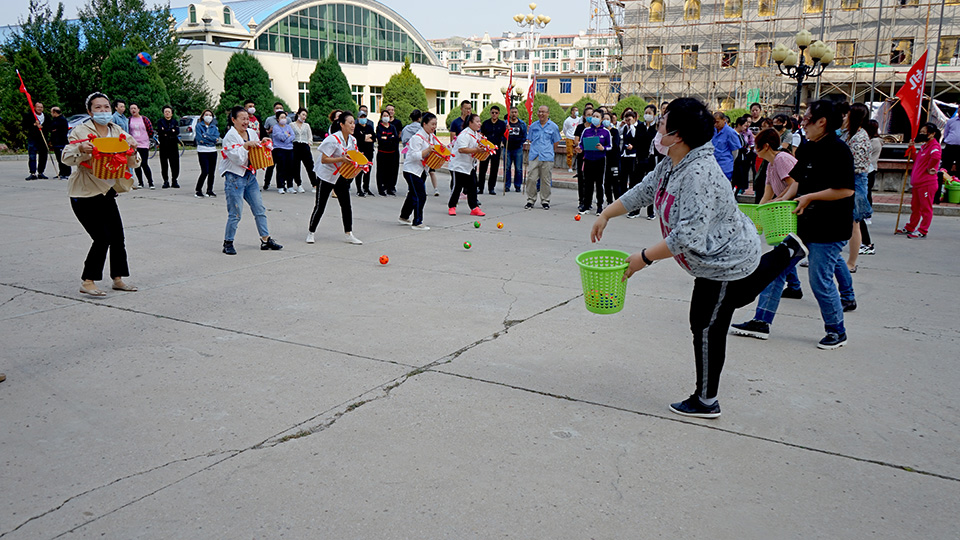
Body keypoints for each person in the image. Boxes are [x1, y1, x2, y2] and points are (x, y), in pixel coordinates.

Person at [590, 97, 809, 418]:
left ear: (677, 135)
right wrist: (607, 213)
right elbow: (646, 189)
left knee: (706, 324)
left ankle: (706, 400)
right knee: (732, 300)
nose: (657, 128)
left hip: (724, 259)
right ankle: (788, 252)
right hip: (713, 256)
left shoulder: (698, 174)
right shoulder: (674, 162)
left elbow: (686, 236)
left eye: (662, 123)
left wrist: (643, 258)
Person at [734, 100, 855, 349]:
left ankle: (836, 330)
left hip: (829, 226)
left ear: (822, 122)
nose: (803, 123)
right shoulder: (809, 147)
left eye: (807, 118)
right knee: (775, 270)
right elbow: (796, 182)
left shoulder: (839, 150)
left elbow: (845, 190)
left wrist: (810, 197)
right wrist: (781, 200)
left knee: (819, 279)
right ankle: (761, 321)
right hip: (801, 223)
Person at [61, 92, 142, 296]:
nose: (103, 111)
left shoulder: (117, 131)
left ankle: (118, 278)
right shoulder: (80, 131)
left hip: (107, 191)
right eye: (98, 107)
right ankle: (88, 281)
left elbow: (133, 161)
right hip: (84, 193)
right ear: (89, 111)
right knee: (102, 237)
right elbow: (66, 157)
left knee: (117, 237)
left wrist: (133, 152)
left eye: (106, 107)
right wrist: (81, 148)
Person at [729, 129, 805, 338]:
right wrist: (757, 218)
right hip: (786, 215)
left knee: (781, 267)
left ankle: (762, 321)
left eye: (756, 145)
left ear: (766, 146)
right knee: (783, 262)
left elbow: (794, 184)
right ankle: (789, 293)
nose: (754, 149)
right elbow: (767, 193)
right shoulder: (771, 164)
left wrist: (780, 200)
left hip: (794, 215)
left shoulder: (781, 159)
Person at [218, 106, 282, 255]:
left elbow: (256, 150)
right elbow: (237, 158)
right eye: (243, 119)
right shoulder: (230, 136)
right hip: (234, 177)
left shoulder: (252, 132)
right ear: (233, 120)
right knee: (235, 213)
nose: (246, 122)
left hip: (250, 176)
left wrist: (263, 142)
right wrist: (246, 146)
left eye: (247, 119)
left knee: (259, 209)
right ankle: (228, 242)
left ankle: (265, 239)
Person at [307, 111, 363, 245]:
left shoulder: (352, 140)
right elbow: (324, 159)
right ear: (342, 124)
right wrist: (341, 159)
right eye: (350, 123)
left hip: (341, 175)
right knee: (320, 206)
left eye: (354, 123)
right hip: (326, 175)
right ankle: (311, 232)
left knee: (346, 205)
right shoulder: (333, 139)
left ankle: (349, 233)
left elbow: (352, 156)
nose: (353, 125)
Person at [842, 103, 872, 272]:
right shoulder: (849, 134)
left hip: (855, 180)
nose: (844, 118)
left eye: (847, 115)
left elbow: (856, 165)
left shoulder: (860, 138)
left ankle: (852, 262)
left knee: (854, 223)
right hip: (848, 179)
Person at [898, 122, 941, 239]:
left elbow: (936, 157)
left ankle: (923, 230)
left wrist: (929, 168)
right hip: (918, 183)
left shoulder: (934, 146)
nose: (921, 134)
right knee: (915, 207)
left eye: (923, 132)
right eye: (921, 132)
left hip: (927, 183)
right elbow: (917, 159)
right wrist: (912, 150)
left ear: (932, 134)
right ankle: (911, 227)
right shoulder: (924, 147)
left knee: (925, 208)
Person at [399, 112, 440, 230]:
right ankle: (417, 222)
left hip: (421, 170)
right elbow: (413, 155)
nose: (434, 127)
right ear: (424, 124)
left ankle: (404, 216)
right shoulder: (417, 138)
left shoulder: (431, 137)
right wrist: (428, 150)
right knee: (420, 195)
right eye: (432, 124)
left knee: (413, 194)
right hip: (411, 170)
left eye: (435, 124)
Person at [523, 105, 562, 210]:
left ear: (548, 113)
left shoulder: (553, 126)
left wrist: (549, 150)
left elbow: (556, 141)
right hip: (534, 156)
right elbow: (530, 139)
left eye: (543, 112)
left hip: (547, 156)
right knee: (531, 179)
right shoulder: (533, 126)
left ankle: (545, 201)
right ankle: (530, 200)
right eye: (539, 112)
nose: (541, 114)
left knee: (545, 180)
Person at [448, 113, 485, 216]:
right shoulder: (464, 135)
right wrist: (476, 150)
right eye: (477, 122)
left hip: (469, 165)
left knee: (473, 186)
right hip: (458, 165)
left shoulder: (476, 134)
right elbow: (462, 149)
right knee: (457, 187)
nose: (479, 124)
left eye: (480, 121)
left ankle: (474, 207)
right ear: (470, 123)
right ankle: (452, 206)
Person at [577, 110, 611, 215]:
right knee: (588, 183)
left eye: (597, 116)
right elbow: (581, 143)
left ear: (601, 119)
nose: (594, 118)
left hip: (600, 160)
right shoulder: (586, 131)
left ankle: (600, 206)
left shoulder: (606, 132)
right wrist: (580, 148)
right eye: (593, 116)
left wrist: (603, 148)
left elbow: (610, 146)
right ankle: (586, 205)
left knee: (599, 184)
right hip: (588, 159)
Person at [478, 105, 506, 195]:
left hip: (496, 149)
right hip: (486, 149)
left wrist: (508, 131)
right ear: (490, 113)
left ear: (499, 114)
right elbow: (481, 135)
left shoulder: (502, 124)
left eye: (496, 113)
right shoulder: (486, 123)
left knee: (494, 169)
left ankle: (491, 188)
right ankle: (480, 188)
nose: (494, 114)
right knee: (483, 168)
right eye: (493, 112)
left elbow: (505, 135)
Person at [291, 107, 318, 192]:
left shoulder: (306, 125)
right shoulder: (292, 125)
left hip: (304, 145)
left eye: (305, 115)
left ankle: (314, 184)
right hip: (295, 145)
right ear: (298, 114)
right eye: (303, 115)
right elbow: (290, 135)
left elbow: (310, 136)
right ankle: (299, 184)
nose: (304, 117)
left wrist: (309, 142)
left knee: (310, 166)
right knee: (296, 166)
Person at [260, 102, 286, 191]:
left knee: (282, 167)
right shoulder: (269, 119)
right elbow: (264, 131)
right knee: (270, 166)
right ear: (274, 109)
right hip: (272, 147)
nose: (279, 109)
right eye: (277, 108)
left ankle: (281, 184)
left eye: (280, 108)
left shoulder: (287, 119)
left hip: (283, 147)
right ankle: (266, 183)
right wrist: (268, 132)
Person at [128, 103, 154, 188]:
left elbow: (150, 130)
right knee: (136, 164)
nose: (133, 110)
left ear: (138, 109)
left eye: (135, 108)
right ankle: (140, 182)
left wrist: (147, 139)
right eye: (131, 108)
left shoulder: (144, 119)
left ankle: (150, 182)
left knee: (144, 163)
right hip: (134, 145)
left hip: (144, 144)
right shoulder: (129, 120)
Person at [194, 109, 219, 198]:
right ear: (203, 116)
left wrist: (206, 136)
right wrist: (210, 139)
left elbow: (216, 138)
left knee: (212, 172)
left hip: (213, 150)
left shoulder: (214, 127)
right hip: (202, 151)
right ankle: (198, 190)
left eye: (210, 115)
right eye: (206, 115)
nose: (208, 116)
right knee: (205, 171)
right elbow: (199, 138)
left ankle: (209, 190)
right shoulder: (199, 126)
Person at [271, 110, 297, 194]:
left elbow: (293, 136)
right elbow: (280, 137)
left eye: (285, 117)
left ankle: (290, 186)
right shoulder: (276, 127)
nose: (284, 119)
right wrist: (287, 136)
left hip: (289, 149)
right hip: (279, 149)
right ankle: (280, 186)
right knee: (281, 168)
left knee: (290, 168)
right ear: (278, 119)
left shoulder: (288, 127)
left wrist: (286, 138)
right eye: (282, 117)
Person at [375, 110, 400, 196]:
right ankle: (381, 189)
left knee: (390, 171)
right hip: (382, 152)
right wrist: (389, 138)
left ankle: (389, 188)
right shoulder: (379, 127)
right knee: (381, 171)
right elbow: (380, 139)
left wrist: (386, 138)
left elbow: (395, 138)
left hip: (391, 152)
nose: (386, 117)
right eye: (384, 115)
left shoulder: (392, 127)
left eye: (387, 115)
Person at [449, 100, 473, 190]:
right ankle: (454, 193)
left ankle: (468, 193)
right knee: (457, 179)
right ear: (461, 109)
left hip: (470, 154)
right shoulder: (456, 122)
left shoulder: (472, 122)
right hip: (459, 153)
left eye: (469, 108)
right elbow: (453, 139)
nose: (468, 111)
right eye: (466, 108)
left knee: (470, 179)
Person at [503, 106, 527, 193]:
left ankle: (518, 185)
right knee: (507, 168)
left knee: (518, 168)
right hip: (507, 148)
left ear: (517, 113)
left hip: (518, 149)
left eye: (515, 112)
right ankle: (507, 186)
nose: (514, 114)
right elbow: (502, 134)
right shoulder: (505, 123)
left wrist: (520, 142)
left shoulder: (522, 124)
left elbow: (524, 135)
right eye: (512, 112)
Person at [711, 112, 740, 182]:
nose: (716, 124)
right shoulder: (713, 131)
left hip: (725, 166)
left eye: (717, 122)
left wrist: (731, 160)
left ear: (724, 120)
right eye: (714, 122)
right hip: (713, 165)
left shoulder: (730, 132)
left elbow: (735, 151)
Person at [156, 105, 180, 188]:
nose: (167, 113)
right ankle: (165, 181)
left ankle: (174, 180)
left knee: (175, 164)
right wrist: (170, 131)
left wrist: (166, 131)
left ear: (172, 113)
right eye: (165, 112)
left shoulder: (175, 122)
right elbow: (160, 132)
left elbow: (176, 131)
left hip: (173, 145)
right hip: (163, 145)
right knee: (164, 164)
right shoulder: (160, 122)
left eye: (169, 112)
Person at [23, 101, 48, 180]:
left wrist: (43, 127)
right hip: (33, 138)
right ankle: (33, 173)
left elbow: (49, 126)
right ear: (34, 107)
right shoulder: (30, 115)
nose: (40, 109)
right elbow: (24, 125)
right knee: (32, 156)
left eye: (41, 107)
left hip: (42, 139)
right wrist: (33, 124)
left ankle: (41, 172)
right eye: (38, 107)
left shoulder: (46, 116)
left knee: (43, 156)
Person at [354, 110, 376, 196]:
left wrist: (365, 137)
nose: (363, 119)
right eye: (361, 117)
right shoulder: (356, 128)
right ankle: (359, 189)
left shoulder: (369, 127)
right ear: (358, 118)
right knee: (359, 171)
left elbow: (373, 138)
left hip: (369, 151)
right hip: (360, 152)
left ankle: (366, 188)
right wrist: (365, 137)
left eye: (364, 117)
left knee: (368, 170)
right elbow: (358, 139)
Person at [602, 112, 622, 204]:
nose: (605, 121)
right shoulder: (601, 132)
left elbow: (615, 145)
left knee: (615, 182)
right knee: (606, 183)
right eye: (604, 119)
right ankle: (609, 201)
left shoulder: (614, 132)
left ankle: (617, 202)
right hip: (604, 160)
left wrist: (606, 147)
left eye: (607, 119)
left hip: (614, 160)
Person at [47, 106, 71, 179]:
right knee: (59, 159)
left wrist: (55, 130)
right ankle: (61, 172)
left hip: (61, 142)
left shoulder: (62, 120)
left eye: (52, 112)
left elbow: (58, 129)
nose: (51, 114)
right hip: (56, 142)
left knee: (63, 158)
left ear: (55, 112)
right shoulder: (55, 120)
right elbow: (50, 128)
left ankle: (67, 173)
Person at [731, 115, 752, 195]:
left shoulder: (741, 135)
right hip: (736, 160)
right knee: (736, 178)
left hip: (742, 159)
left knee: (740, 178)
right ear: (739, 125)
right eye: (744, 126)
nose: (745, 128)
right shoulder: (733, 134)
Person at [941, 111, 960, 176]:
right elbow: (946, 133)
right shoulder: (951, 121)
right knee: (946, 166)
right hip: (950, 147)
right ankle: (943, 180)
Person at [563, 106, 580, 172]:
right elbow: (565, 129)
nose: (577, 112)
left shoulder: (579, 119)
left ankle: (577, 166)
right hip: (569, 137)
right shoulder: (567, 120)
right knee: (570, 153)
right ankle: (570, 167)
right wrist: (568, 135)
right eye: (575, 110)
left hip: (576, 138)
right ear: (572, 112)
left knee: (578, 152)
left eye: (577, 110)